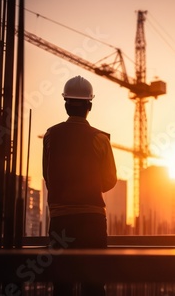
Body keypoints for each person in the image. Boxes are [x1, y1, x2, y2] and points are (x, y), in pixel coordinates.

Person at [43, 75, 117, 296]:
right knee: (93, 284)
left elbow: (48, 176)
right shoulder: (100, 139)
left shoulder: (51, 135)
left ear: (65, 104)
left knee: (61, 284)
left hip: (60, 220)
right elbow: (110, 180)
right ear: (90, 105)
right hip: (91, 221)